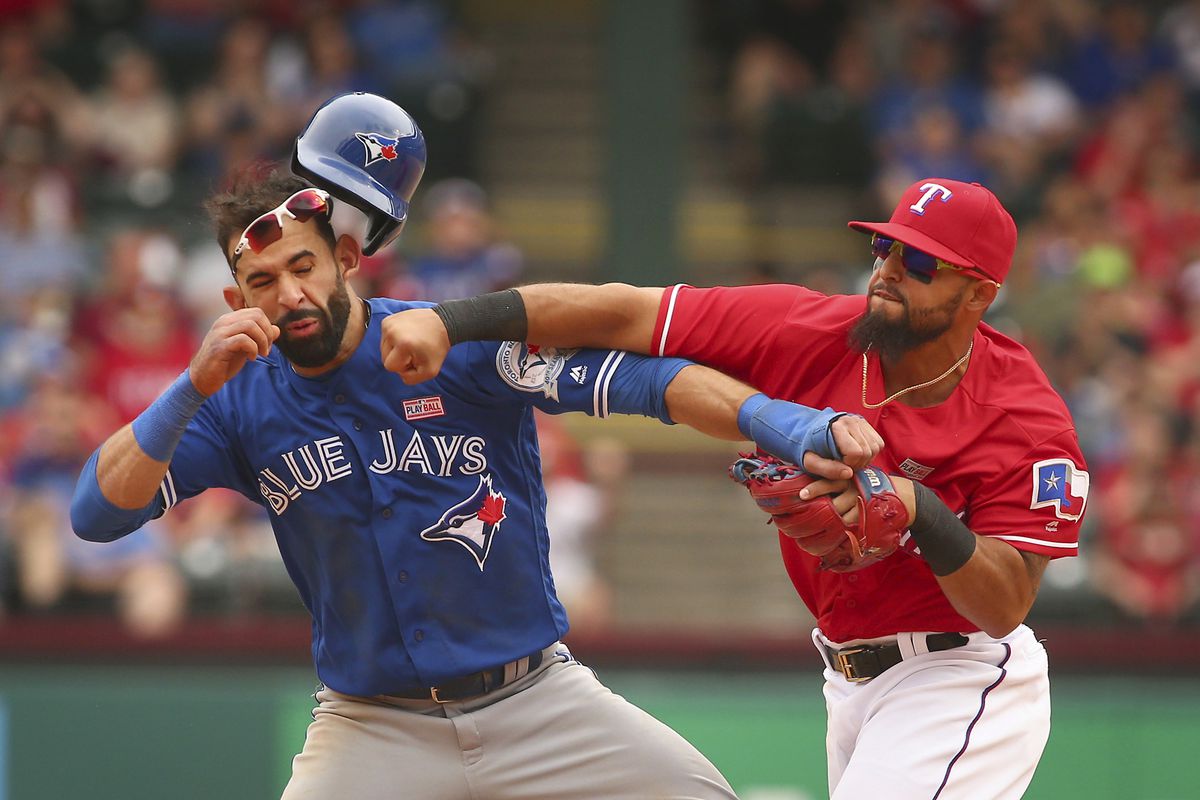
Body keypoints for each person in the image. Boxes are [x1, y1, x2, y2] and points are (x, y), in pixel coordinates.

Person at [70, 92, 886, 800]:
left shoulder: (445, 344)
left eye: (304, 266)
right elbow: (96, 513)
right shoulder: (232, 402)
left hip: (536, 702)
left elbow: (647, 383)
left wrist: (781, 421)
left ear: (348, 259)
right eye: (261, 282)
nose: (289, 295)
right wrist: (190, 385)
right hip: (370, 725)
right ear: (233, 297)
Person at [381, 178, 1090, 799]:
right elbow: (625, 312)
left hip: (960, 676)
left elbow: (1004, 606)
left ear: (980, 295)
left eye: (922, 262)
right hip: (849, 678)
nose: (890, 271)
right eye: (885, 249)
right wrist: (451, 321)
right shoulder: (809, 329)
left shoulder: (1024, 419)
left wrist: (918, 510)